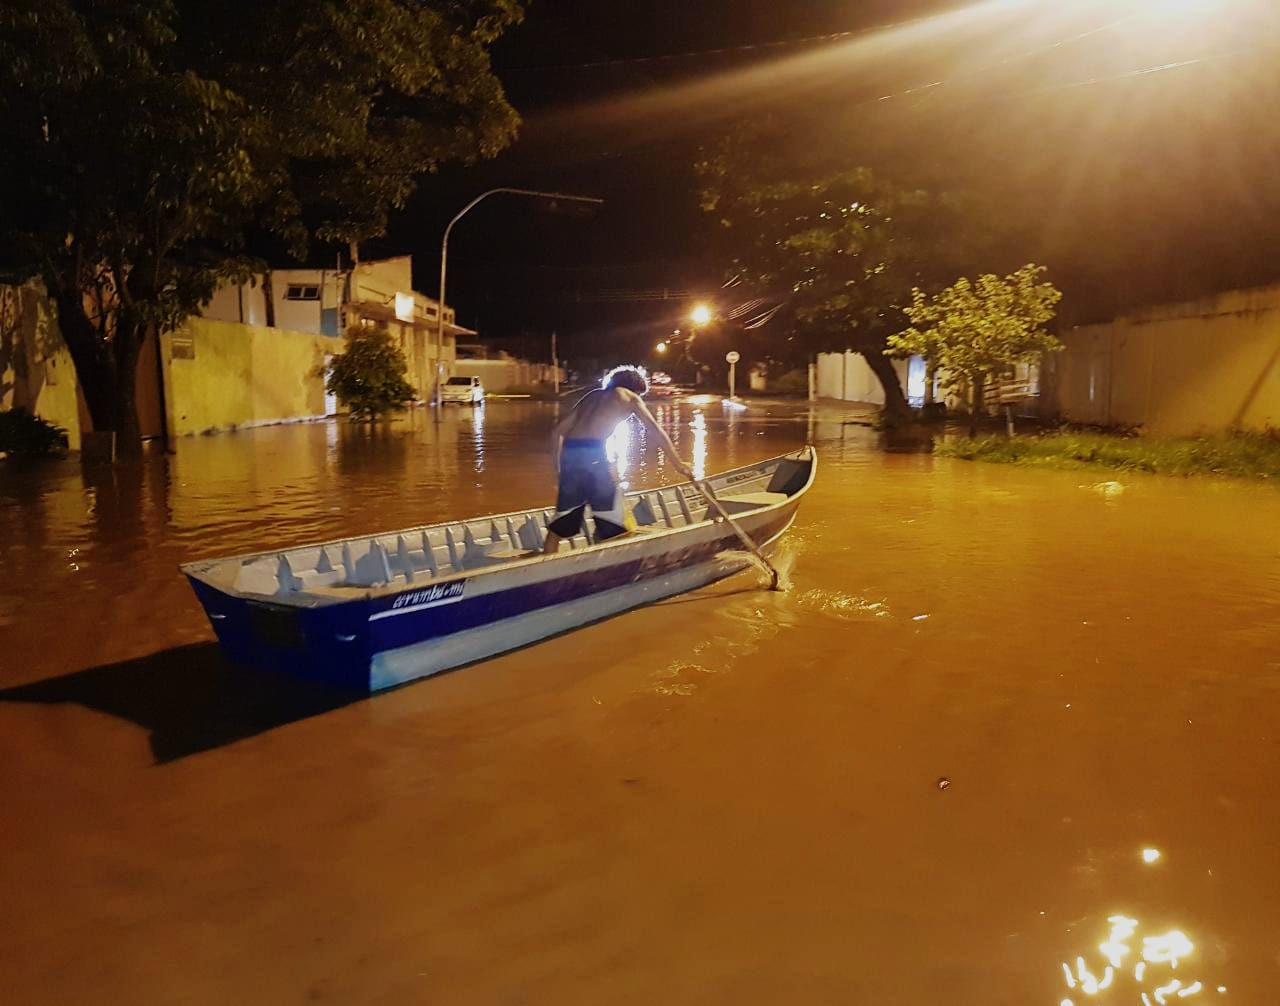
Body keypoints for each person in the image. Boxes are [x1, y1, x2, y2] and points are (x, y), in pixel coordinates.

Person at [543, 366, 691, 554]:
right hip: (594, 454)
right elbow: (655, 431)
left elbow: (557, 432)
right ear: (635, 388)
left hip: (570, 455)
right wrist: (678, 464)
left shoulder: (592, 396)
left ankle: (547, 563)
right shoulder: (630, 397)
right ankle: (609, 567)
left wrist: (559, 471)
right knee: (614, 523)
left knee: (560, 524)